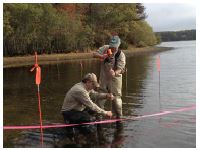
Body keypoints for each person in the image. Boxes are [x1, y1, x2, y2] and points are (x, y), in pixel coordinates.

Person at [93, 35, 126, 119]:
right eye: (111, 46)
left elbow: (121, 69)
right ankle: (99, 118)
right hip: (103, 77)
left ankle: (119, 118)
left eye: (114, 47)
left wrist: (115, 72)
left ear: (118, 46)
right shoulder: (105, 48)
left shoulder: (121, 55)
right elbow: (94, 54)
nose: (112, 48)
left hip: (115, 79)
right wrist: (101, 56)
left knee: (117, 100)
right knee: (100, 98)